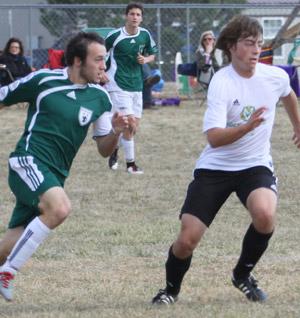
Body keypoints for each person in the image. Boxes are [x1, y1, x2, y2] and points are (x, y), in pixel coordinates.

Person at [152, 15, 300, 305]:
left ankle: (242, 275)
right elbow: (215, 138)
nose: (256, 49)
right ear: (232, 47)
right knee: (187, 240)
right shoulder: (222, 82)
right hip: (215, 168)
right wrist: (246, 127)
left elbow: (289, 95)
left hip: (255, 165)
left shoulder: (274, 76)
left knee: (266, 215)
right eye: (249, 43)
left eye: (258, 43)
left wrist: (298, 125)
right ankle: (170, 290)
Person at [0, 32, 129, 302]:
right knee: (59, 208)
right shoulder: (43, 80)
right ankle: (8, 272)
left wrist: (116, 133)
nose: (103, 66)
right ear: (78, 61)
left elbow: (103, 148)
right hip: (28, 162)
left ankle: (5, 263)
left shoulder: (100, 98)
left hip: (56, 176)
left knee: (16, 238)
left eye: (104, 60)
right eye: (98, 60)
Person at [101, 2, 158, 174]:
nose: (135, 17)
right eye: (132, 14)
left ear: (141, 18)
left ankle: (114, 149)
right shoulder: (114, 36)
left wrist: (146, 60)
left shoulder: (145, 34)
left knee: (133, 127)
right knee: (130, 123)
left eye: (138, 15)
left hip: (137, 85)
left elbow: (153, 54)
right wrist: (101, 72)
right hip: (117, 84)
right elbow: (100, 54)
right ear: (126, 16)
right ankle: (131, 165)